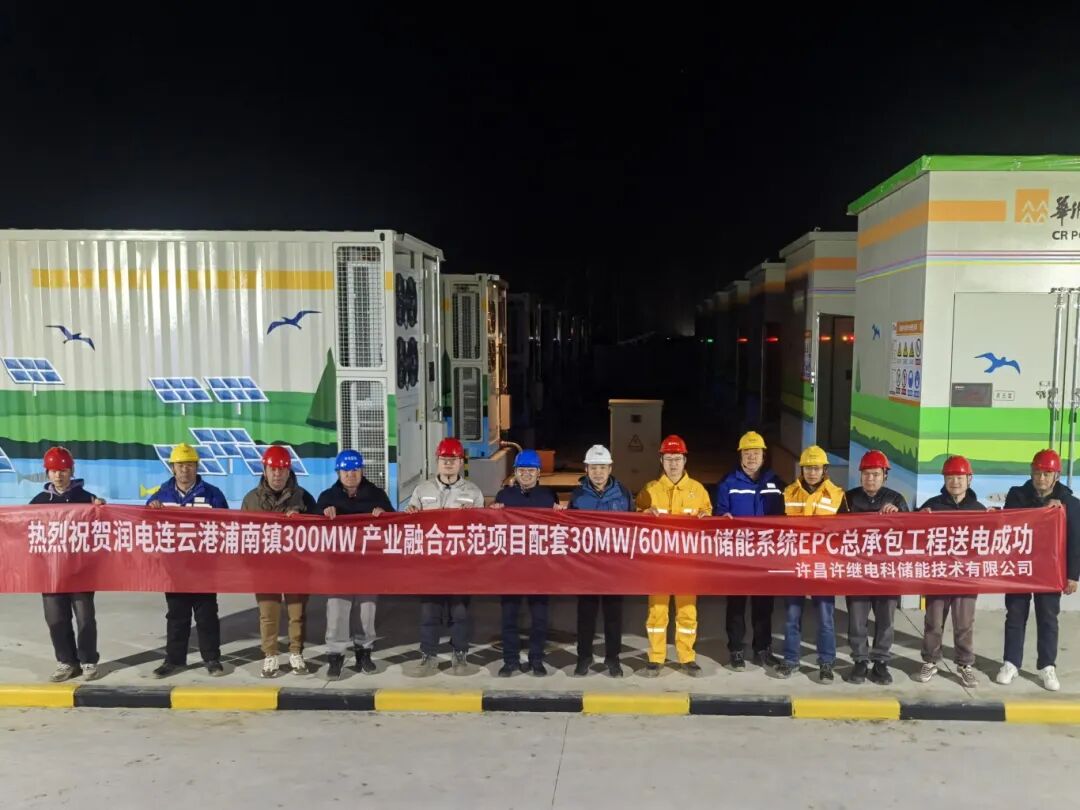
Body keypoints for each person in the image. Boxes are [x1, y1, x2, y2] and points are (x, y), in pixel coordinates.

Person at [996, 449, 1080, 692]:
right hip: (1020, 567)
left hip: (1050, 571)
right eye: (1037, 473)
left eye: (1047, 474)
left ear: (1056, 476)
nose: (1041, 478)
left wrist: (1072, 575)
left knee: (1048, 618)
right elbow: (1008, 525)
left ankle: (1047, 666)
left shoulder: (1071, 504)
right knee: (1015, 614)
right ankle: (1011, 663)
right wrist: (1045, 508)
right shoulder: (1017, 495)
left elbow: (1075, 542)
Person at [146, 442, 229, 678]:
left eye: (190, 464)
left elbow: (226, 527)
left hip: (204, 568)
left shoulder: (212, 494)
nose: (185, 469)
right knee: (177, 616)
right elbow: (144, 527)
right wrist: (151, 510)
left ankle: (212, 659)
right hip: (174, 569)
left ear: (197, 467)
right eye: (180, 465)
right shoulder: (161, 496)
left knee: (206, 616)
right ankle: (174, 660)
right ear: (172, 467)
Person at [635, 435, 712, 677]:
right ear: (661, 460)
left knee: (687, 612)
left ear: (685, 460)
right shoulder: (650, 489)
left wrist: (706, 519)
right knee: (657, 613)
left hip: (687, 565)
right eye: (669, 459)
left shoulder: (697, 490)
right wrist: (644, 513)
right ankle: (655, 658)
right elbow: (635, 518)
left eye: (677, 459)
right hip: (658, 565)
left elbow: (709, 520)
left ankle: (687, 657)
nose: (673, 464)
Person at [405, 437, 483, 675]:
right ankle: (428, 654)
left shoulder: (473, 492)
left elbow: (483, 528)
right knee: (430, 612)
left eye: (453, 460)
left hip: (460, 565)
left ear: (461, 463)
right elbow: (410, 522)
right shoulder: (422, 490)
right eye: (444, 459)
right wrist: (410, 513)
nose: (448, 464)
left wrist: (475, 516)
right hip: (431, 564)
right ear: (437, 462)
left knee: (460, 612)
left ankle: (460, 653)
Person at [30, 447, 106, 682]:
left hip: (80, 572)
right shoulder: (38, 502)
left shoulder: (87, 499)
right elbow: (24, 532)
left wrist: (102, 509)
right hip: (51, 574)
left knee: (85, 619)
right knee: (55, 619)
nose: (58, 475)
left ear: (72, 471)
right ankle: (66, 662)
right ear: (47, 473)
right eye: (53, 471)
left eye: (63, 470)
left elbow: (103, 529)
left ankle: (88, 661)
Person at [241, 445, 317, 678]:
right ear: (264, 470)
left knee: (297, 614)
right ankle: (270, 655)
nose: (277, 474)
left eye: (282, 470)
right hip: (265, 569)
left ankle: (296, 652)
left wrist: (302, 520)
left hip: (296, 567)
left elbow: (318, 530)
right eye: (272, 469)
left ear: (289, 471)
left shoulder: (303, 498)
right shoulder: (251, 500)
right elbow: (242, 534)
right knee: (268, 614)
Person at [317, 449, 393, 679]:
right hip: (338, 567)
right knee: (337, 612)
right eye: (346, 470)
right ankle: (335, 656)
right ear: (338, 472)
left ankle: (364, 653)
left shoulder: (377, 495)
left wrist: (384, 515)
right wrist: (322, 513)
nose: (350, 474)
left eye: (355, 470)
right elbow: (311, 526)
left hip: (367, 566)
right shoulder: (327, 497)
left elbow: (395, 523)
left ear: (362, 471)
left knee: (366, 612)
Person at [713, 431, 786, 670]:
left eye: (756, 453)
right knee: (736, 604)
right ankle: (735, 649)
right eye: (747, 453)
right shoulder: (728, 483)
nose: (752, 457)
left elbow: (788, 514)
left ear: (764, 456)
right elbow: (719, 513)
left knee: (764, 605)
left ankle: (762, 649)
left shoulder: (776, 483)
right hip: (738, 555)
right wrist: (722, 517)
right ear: (740, 456)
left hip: (765, 554)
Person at [915, 455, 986, 689]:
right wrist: (919, 518)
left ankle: (965, 665)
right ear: (944, 479)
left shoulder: (979, 510)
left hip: (966, 576)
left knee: (964, 623)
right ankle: (930, 660)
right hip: (937, 574)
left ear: (969, 479)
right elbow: (912, 533)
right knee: (933, 622)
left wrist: (994, 519)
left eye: (960, 477)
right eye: (950, 477)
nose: (955, 481)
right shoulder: (932, 506)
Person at [778, 445, 847, 682]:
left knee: (826, 619)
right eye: (808, 468)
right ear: (802, 469)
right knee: (791, 617)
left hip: (823, 567)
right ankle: (790, 660)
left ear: (824, 470)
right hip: (795, 564)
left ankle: (826, 662)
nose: (812, 472)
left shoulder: (837, 495)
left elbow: (847, 532)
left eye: (816, 468)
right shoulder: (788, 493)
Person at [490, 449, 562, 677]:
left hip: (540, 568)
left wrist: (561, 514)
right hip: (511, 567)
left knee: (539, 619)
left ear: (539, 473)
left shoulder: (548, 497)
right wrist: (493, 513)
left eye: (531, 470)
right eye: (522, 470)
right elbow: (492, 527)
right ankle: (510, 661)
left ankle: (536, 660)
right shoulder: (504, 496)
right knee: (509, 617)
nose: (527, 474)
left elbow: (559, 527)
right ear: (515, 472)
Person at [844, 449, 909, 685]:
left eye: (875, 474)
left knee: (885, 619)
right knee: (857, 618)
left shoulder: (896, 499)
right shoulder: (848, 499)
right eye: (866, 474)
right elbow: (835, 531)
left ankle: (881, 661)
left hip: (886, 572)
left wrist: (899, 516)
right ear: (860, 475)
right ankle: (860, 660)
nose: (870, 478)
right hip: (858, 570)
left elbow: (911, 533)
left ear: (885, 476)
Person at [569, 444, 634, 678]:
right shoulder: (578, 496)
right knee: (586, 615)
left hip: (614, 566)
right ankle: (584, 657)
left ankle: (613, 658)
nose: (598, 472)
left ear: (610, 468)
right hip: (587, 566)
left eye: (602, 467)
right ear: (586, 469)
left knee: (613, 615)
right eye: (594, 467)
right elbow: (569, 529)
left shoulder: (623, 493)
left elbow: (634, 526)